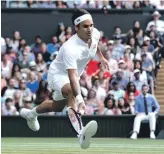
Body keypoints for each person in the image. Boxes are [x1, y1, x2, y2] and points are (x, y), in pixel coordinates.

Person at [20, 9, 109, 149]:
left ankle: (31, 115)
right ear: (76, 28)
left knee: (57, 106)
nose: (90, 29)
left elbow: (95, 45)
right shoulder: (70, 48)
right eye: (85, 26)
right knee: (72, 92)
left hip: (72, 76)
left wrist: (101, 57)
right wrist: (80, 100)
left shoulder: (95, 33)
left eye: (91, 25)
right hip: (58, 75)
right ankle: (80, 133)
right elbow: (72, 77)